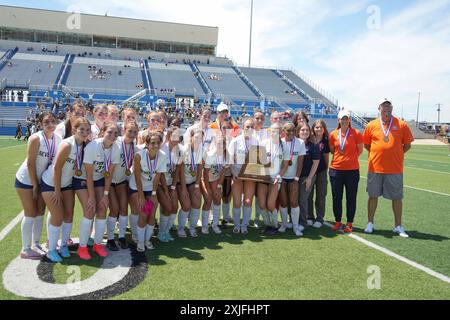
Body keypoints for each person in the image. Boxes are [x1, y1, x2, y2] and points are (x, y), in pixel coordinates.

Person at [40, 117, 90, 262]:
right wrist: (56, 190)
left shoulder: (83, 145)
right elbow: (56, 168)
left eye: (87, 130)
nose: (85, 132)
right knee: (57, 216)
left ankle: (64, 246)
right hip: (51, 183)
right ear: (74, 130)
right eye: (81, 129)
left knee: (69, 215)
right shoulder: (67, 144)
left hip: (67, 184)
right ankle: (51, 250)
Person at [363, 99, 414, 238]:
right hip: (375, 168)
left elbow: (408, 145)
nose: (387, 108)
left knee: (397, 198)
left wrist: (396, 154)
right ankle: (370, 223)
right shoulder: (371, 125)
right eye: (384, 106)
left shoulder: (401, 124)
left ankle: (398, 226)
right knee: (372, 196)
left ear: (392, 108)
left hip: (395, 168)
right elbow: (367, 145)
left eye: (389, 106)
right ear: (379, 108)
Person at [15, 112, 62, 260]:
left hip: (42, 180)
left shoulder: (58, 138)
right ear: (40, 124)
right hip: (26, 180)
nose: (50, 125)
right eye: (46, 122)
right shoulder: (36, 138)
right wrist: (35, 185)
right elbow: (30, 163)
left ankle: (35, 244)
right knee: (30, 213)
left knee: (40, 212)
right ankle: (26, 248)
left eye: (53, 121)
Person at [75, 122, 121, 260]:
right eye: (109, 132)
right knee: (90, 209)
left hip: (100, 180)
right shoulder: (92, 146)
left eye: (116, 134)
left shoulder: (116, 148)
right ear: (102, 132)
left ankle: (97, 244)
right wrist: (91, 197)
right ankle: (82, 247)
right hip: (83, 179)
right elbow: (88, 174)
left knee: (102, 209)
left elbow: (109, 173)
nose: (112, 136)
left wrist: (106, 195)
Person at [129, 131, 167, 252]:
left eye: (158, 143)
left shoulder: (162, 155)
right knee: (144, 213)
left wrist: (154, 194)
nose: (155, 145)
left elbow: (157, 177)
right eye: (152, 143)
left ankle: (147, 240)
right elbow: (137, 177)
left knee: (152, 215)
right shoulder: (138, 156)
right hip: (136, 188)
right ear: (147, 143)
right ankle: (140, 242)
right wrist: (141, 196)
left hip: (151, 189)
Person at [328, 110, 364, 233]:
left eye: (346, 118)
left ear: (349, 120)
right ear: (338, 120)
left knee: (351, 197)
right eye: (341, 119)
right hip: (336, 170)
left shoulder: (357, 133)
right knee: (336, 197)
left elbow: (360, 150)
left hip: (352, 171)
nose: (344, 121)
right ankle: (338, 221)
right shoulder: (333, 134)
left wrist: (350, 159)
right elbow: (333, 150)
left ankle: (349, 222)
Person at [106, 120, 139, 251]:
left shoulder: (134, 146)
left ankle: (121, 237)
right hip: (109, 181)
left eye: (135, 132)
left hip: (121, 181)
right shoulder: (116, 142)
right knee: (114, 209)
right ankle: (110, 239)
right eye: (130, 131)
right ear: (124, 130)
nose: (132, 134)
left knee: (124, 208)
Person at [228, 119, 259, 234]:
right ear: (242, 128)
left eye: (251, 127)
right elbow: (230, 160)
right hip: (237, 175)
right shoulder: (235, 141)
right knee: (236, 202)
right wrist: (233, 173)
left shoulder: (256, 141)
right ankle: (237, 225)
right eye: (247, 127)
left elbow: (259, 161)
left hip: (250, 176)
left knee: (247, 201)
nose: (249, 129)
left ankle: (244, 225)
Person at [279, 122, 306, 236]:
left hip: (293, 177)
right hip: (282, 177)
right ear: (283, 131)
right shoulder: (279, 143)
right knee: (283, 202)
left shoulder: (300, 142)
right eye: (288, 130)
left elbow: (300, 163)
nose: (290, 133)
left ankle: (295, 226)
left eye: (292, 131)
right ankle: (284, 224)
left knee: (294, 202)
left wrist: (296, 178)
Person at [257, 122, 285, 234]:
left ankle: (274, 225)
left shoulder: (284, 146)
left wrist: (279, 175)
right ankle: (268, 225)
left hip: (275, 179)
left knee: (270, 204)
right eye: (273, 130)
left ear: (281, 132)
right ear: (269, 131)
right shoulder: (263, 143)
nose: (275, 132)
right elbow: (257, 162)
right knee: (262, 204)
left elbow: (285, 164)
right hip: (263, 178)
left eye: (277, 130)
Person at [157, 126, 182, 242]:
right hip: (158, 184)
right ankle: (160, 233)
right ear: (168, 136)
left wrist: (172, 187)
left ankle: (166, 231)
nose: (177, 138)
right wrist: (166, 190)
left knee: (174, 208)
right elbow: (160, 172)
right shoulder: (161, 149)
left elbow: (177, 169)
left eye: (179, 136)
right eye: (174, 135)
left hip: (170, 184)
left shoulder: (180, 150)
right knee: (165, 208)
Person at [177, 128, 204, 238]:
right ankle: (181, 228)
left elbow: (199, 170)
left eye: (200, 138)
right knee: (186, 206)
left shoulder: (201, 150)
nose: (198, 140)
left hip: (193, 182)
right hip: (181, 182)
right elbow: (181, 172)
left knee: (197, 203)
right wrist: (183, 189)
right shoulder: (184, 150)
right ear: (191, 137)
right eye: (196, 137)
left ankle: (192, 227)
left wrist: (197, 186)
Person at [202, 133, 227, 234]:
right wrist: (207, 189)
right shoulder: (211, 154)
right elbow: (205, 174)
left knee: (217, 198)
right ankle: (204, 226)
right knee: (208, 200)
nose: (221, 146)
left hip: (216, 178)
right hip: (207, 179)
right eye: (219, 143)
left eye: (223, 144)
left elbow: (223, 171)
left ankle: (215, 224)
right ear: (215, 143)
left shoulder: (225, 155)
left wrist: (219, 185)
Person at [308, 120, 330, 228]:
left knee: (321, 195)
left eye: (321, 127)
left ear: (324, 129)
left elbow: (326, 157)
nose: (319, 129)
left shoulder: (326, 141)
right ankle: (309, 217)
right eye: (316, 127)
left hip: (321, 171)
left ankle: (319, 218)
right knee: (309, 195)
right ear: (313, 128)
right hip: (310, 171)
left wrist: (325, 170)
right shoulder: (310, 140)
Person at [297, 123, 320, 228]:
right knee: (293, 199)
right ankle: (293, 220)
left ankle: (303, 222)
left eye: (307, 130)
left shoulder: (313, 145)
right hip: (294, 176)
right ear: (298, 131)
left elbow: (316, 163)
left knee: (302, 199)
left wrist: (310, 178)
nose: (305, 132)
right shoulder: (294, 143)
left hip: (306, 177)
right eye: (302, 130)